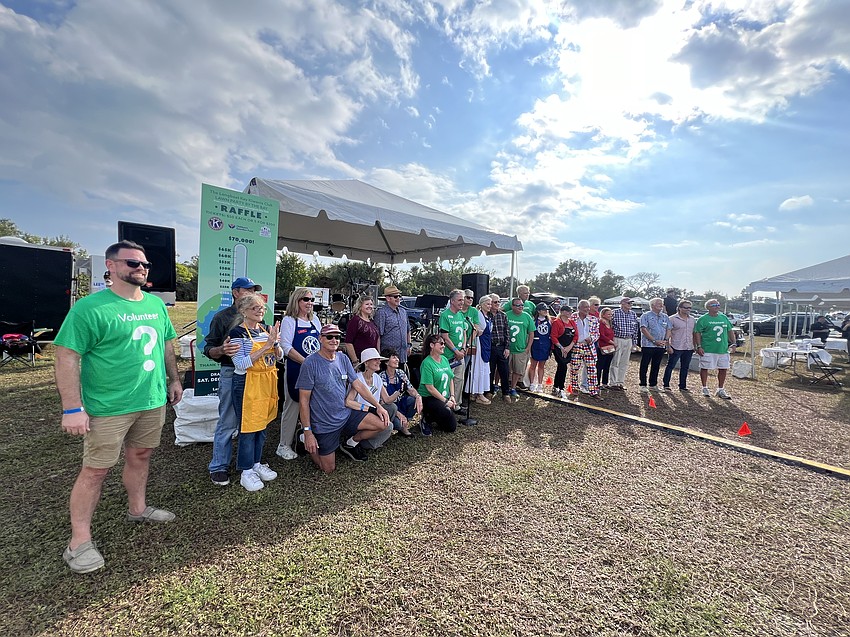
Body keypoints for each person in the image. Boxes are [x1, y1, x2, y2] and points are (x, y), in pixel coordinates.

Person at [54, 240, 182, 574]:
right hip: (108, 406)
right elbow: (66, 356)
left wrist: (174, 379)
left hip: (151, 400)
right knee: (96, 470)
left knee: (141, 455)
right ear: (110, 266)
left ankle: (137, 509)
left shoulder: (155, 304)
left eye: (145, 265)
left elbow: (166, 344)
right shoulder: (90, 308)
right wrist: (72, 408)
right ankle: (78, 542)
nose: (141, 269)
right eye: (132, 263)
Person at [296, 324, 390, 473]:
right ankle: (303, 438)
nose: (334, 340)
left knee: (382, 424)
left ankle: (350, 443)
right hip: (324, 422)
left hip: (346, 413)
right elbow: (304, 401)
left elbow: (358, 385)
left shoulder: (343, 358)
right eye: (329, 336)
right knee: (328, 469)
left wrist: (378, 406)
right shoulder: (310, 363)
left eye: (337, 337)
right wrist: (307, 432)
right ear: (320, 339)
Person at [203, 276, 263, 486]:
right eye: (247, 290)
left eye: (254, 290)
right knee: (228, 420)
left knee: (253, 420)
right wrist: (222, 349)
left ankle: (251, 463)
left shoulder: (259, 319)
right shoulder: (222, 317)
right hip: (231, 372)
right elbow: (208, 348)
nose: (251, 293)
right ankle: (219, 466)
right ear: (235, 292)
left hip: (255, 376)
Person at [229, 294, 283, 492]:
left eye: (262, 308)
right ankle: (246, 471)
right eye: (255, 308)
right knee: (248, 427)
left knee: (262, 425)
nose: (260, 311)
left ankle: (256, 463)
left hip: (266, 382)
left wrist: (275, 344)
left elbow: (280, 356)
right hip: (247, 383)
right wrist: (266, 346)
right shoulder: (237, 333)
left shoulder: (266, 329)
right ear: (243, 311)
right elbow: (241, 363)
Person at [276, 287, 322, 461]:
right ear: (297, 301)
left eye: (312, 300)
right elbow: (286, 347)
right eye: (306, 299)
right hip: (296, 369)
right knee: (293, 405)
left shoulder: (315, 320)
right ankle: (284, 445)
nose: (310, 303)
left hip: (314, 370)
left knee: (313, 404)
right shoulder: (289, 320)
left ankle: (305, 437)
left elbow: (320, 342)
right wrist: (306, 362)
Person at [348, 348, 398, 444]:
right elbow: (348, 402)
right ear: (366, 363)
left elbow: (387, 399)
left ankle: (372, 435)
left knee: (392, 408)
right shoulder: (357, 379)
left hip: (373, 411)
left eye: (379, 359)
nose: (379, 362)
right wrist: (369, 409)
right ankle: (355, 442)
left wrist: (399, 391)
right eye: (375, 359)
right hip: (359, 413)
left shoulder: (377, 377)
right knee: (388, 426)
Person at [693, 299, 737, 399]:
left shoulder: (723, 317)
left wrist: (734, 343)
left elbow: (729, 330)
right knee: (705, 367)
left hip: (722, 348)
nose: (717, 306)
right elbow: (697, 332)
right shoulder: (703, 319)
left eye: (718, 305)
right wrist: (698, 346)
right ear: (708, 307)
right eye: (714, 305)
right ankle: (704, 387)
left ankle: (720, 389)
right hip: (708, 348)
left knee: (723, 368)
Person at [417, 333, 459, 435]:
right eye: (441, 343)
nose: (443, 346)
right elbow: (430, 388)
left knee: (451, 427)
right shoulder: (427, 363)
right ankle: (426, 419)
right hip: (429, 397)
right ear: (432, 345)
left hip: (442, 397)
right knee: (445, 411)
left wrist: (452, 396)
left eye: (444, 343)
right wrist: (445, 401)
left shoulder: (444, 359)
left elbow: (450, 378)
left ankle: (437, 416)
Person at [379, 347, 422, 433]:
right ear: (386, 362)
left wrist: (418, 396)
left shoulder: (401, 373)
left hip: (401, 403)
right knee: (398, 425)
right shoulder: (381, 377)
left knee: (413, 400)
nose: (397, 360)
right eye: (394, 357)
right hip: (390, 407)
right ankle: (398, 424)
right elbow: (382, 402)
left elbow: (410, 389)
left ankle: (405, 422)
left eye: (397, 357)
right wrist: (398, 414)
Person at [439, 289, 469, 409]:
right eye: (459, 300)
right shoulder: (445, 315)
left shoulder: (461, 315)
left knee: (459, 379)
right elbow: (445, 337)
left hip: (460, 354)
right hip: (448, 355)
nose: (462, 302)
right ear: (452, 301)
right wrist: (456, 351)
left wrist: (463, 349)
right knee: (447, 380)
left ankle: (456, 404)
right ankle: (446, 404)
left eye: (463, 300)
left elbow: (464, 333)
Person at [638, 297, 671, 392]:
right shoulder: (646, 315)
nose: (661, 305)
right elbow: (643, 329)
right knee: (645, 364)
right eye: (659, 303)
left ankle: (653, 384)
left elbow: (669, 329)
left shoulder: (665, 317)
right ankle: (643, 384)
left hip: (661, 345)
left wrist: (665, 340)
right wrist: (654, 341)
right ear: (652, 305)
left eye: (662, 303)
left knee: (656, 365)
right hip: (648, 345)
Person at [662, 299, 696, 391]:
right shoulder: (672, 319)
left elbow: (694, 333)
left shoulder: (692, 320)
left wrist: (695, 345)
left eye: (690, 308)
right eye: (686, 307)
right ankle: (666, 385)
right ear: (680, 308)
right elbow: (668, 333)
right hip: (675, 346)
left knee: (685, 367)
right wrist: (668, 346)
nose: (688, 309)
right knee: (670, 366)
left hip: (688, 347)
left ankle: (682, 386)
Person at [569, 300, 601, 399]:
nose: (587, 309)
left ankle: (593, 391)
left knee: (592, 369)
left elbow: (597, 333)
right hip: (576, 346)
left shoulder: (593, 319)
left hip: (588, 346)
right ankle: (574, 388)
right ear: (579, 308)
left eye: (588, 307)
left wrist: (592, 338)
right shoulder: (572, 317)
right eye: (584, 307)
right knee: (574, 368)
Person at [506, 297, 535, 401]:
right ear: (512, 306)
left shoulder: (527, 316)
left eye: (522, 305)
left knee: (518, 371)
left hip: (521, 349)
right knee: (504, 369)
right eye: (518, 305)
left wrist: (528, 348)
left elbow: (531, 333)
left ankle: (513, 388)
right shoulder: (506, 315)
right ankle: (502, 387)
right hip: (507, 348)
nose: (521, 307)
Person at [375, 285, 411, 364]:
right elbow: (377, 335)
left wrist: (409, 345)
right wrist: (378, 354)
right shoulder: (381, 313)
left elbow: (408, 330)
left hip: (402, 356)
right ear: (388, 298)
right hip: (388, 357)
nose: (398, 298)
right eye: (395, 296)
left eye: (399, 296)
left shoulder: (403, 312)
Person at [486, 292, 511, 403]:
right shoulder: (485, 315)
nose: (497, 304)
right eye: (495, 302)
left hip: (501, 347)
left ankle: (506, 393)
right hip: (490, 347)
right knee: (490, 371)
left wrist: (507, 347)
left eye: (498, 302)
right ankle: (489, 391)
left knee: (504, 371)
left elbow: (507, 332)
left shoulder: (503, 315)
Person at [609, 297, 639, 390]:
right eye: (628, 303)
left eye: (631, 303)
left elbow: (635, 330)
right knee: (615, 361)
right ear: (622, 303)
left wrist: (634, 343)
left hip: (628, 339)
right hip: (617, 338)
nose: (630, 305)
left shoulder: (633, 314)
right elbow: (609, 326)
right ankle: (613, 383)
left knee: (624, 362)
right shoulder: (615, 313)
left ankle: (620, 382)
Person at [550, 306, 577, 399]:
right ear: (562, 312)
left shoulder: (572, 322)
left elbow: (576, 336)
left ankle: (556, 386)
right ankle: (561, 388)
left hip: (568, 348)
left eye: (571, 311)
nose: (570, 313)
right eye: (568, 311)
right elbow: (553, 336)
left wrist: (569, 347)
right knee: (563, 365)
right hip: (558, 348)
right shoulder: (557, 322)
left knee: (561, 367)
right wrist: (561, 348)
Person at [344, 296, 379, 365]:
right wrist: (355, 361)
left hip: (372, 360)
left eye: (371, 304)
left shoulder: (372, 322)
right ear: (360, 306)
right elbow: (348, 342)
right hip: (360, 360)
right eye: (367, 304)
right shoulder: (355, 321)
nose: (370, 306)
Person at [528, 303, 552, 392]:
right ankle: (531, 383)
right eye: (543, 310)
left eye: (546, 310)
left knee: (541, 366)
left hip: (545, 345)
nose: (546, 311)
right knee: (533, 365)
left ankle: (540, 384)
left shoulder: (549, 321)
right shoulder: (533, 321)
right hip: (535, 345)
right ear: (538, 311)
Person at [596, 307, 616, 389]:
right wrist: (612, 342)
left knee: (607, 366)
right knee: (600, 366)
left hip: (610, 348)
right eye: (608, 314)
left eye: (611, 314)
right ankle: (597, 383)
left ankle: (605, 382)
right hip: (603, 347)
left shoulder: (610, 324)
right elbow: (601, 335)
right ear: (603, 315)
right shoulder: (601, 323)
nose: (610, 315)